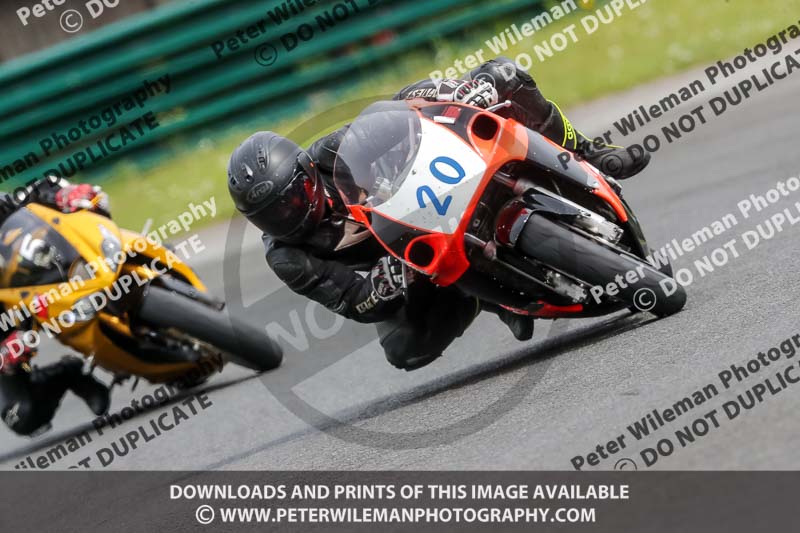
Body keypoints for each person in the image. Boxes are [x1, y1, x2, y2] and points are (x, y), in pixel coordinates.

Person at [227, 57, 650, 371]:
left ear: (306, 174)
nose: (290, 215)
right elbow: (355, 303)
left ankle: (588, 152)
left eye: (294, 197)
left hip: (442, 183)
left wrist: (454, 93)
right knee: (405, 350)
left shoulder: (333, 153)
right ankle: (487, 297)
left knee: (503, 74)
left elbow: (400, 111)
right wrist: (383, 283)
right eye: (272, 216)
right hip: (415, 262)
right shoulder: (288, 256)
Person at [0, 177, 111, 436]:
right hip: (8, 325)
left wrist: (63, 194)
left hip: (37, 274)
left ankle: (151, 261)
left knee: (89, 219)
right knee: (22, 416)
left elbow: (27, 199)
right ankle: (69, 373)